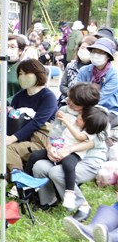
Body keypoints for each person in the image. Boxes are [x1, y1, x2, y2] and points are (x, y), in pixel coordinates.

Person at [32, 83, 107, 221]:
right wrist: (50, 149)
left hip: (88, 159)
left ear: (85, 106)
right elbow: (54, 133)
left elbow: (94, 141)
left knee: (57, 172)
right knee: (39, 166)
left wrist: (69, 150)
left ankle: (82, 205)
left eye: (74, 101)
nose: (69, 101)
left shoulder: (99, 114)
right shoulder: (64, 110)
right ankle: (49, 200)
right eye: (70, 97)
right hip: (63, 154)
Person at [0, 59, 58, 191]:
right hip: (18, 134)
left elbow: (36, 123)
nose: (22, 77)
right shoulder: (19, 96)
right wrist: (1, 133)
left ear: (38, 74)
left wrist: (11, 139)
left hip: (39, 138)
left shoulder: (48, 96)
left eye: (26, 73)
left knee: (8, 148)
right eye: (20, 74)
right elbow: (9, 117)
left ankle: (20, 182)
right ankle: (2, 177)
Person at [76, 37, 118, 127]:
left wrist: (83, 107)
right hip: (84, 106)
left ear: (108, 56)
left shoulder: (114, 75)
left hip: (108, 109)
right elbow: (77, 91)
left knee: (91, 123)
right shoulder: (84, 70)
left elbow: (102, 97)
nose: (96, 55)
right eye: (94, 51)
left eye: (100, 52)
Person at [58, 35, 96, 104]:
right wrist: (72, 95)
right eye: (82, 47)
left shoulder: (95, 69)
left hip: (86, 103)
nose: (84, 50)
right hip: (67, 100)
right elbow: (62, 86)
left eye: (88, 49)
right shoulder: (71, 66)